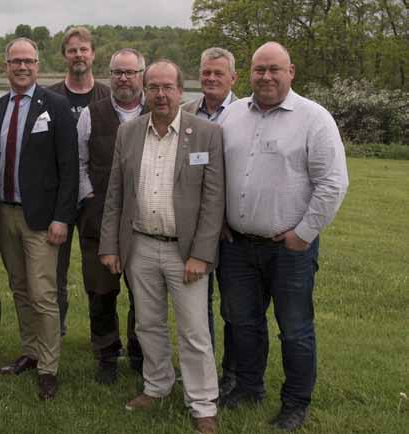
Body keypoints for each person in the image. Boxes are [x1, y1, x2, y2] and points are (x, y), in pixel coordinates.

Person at [218, 41, 349, 431]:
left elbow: (333, 183)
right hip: (238, 246)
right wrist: (221, 220)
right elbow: (218, 175)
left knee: (294, 329)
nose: (267, 76)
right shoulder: (233, 115)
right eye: (260, 69)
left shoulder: (314, 118)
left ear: (291, 72)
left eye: (275, 69)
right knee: (242, 323)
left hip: (289, 249)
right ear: (249, 73)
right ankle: (248, 388)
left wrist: (304, 233)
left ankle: (295, 402)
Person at [99, 60, 224, 434]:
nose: (160, 94)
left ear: (181, 91)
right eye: (153, 87)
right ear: (144, 90)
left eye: (168, 87)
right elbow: (115, 195)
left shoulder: (206, 134)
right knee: (147, 324)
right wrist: (111, 245)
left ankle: (203, 404)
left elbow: (213, 200)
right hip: (140, 245)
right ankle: (157, 384)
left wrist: (201, 253)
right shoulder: (129, 132)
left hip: (184, 252)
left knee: (194, 331)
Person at [0, 37, 78, 400]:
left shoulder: (56, 106)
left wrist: (62, 219)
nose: (22, 67)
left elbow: (69, 168)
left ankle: (49, 367)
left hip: (41, 219)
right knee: (20, 289)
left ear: (38, 65)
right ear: (6, 65)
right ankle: (30, 351)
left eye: (28, 61)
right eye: (15, 61)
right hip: (4, 213)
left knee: (43, 294)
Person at [75, 48, 146, 384]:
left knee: (144, 293)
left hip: (146, 224)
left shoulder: (157, 110)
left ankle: (140, 351)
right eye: (117, 72)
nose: (123, 79)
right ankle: (105, 352)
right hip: (98, 220)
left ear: (141, 75)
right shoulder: (92, 114)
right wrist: (89, 196)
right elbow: (79, 162)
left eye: (130, 72)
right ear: (109, 75)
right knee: (101, 291)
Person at [181, 46, 240, 396]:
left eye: (218, 73)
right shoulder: (185, 111)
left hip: (232, 230)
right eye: (206, 73)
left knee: (234, 307)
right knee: (195, 308)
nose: (211, 79)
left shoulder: (247, 113)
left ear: (233, 77)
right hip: (192, 226)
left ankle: (232, 373)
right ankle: (199, 370)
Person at [48, 26, 111, 337]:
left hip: (92, 198)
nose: (78, 55)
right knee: (53, 270)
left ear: (93, 54)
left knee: (97, 270)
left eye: (83, 49)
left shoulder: (107, 97)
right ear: (64, 56)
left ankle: (101, 334)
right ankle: (54, 329)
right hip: (56, 196)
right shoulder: (49, 97)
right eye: (72, 50)